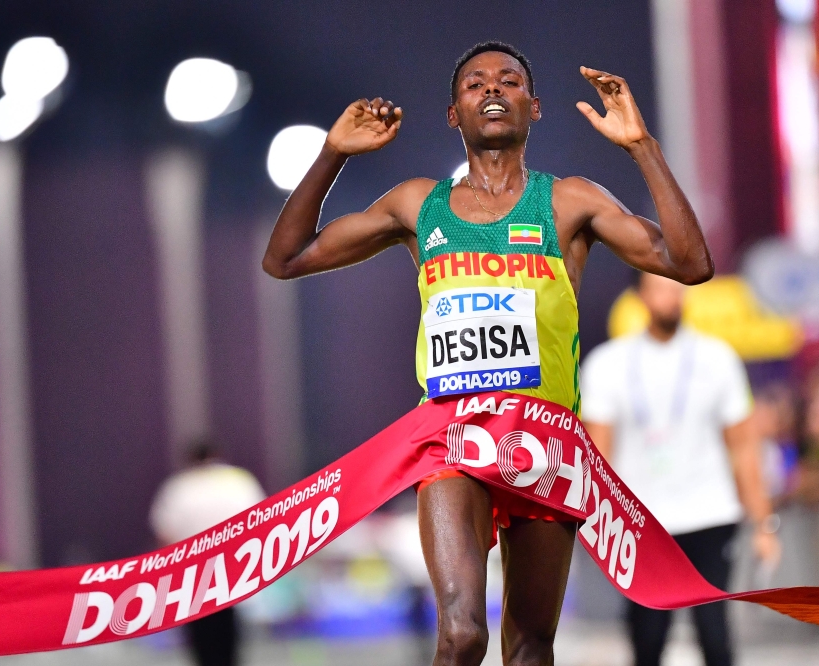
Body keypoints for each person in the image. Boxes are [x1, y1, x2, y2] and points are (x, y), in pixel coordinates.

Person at [261, 40, 713, 666]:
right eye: (475, 83)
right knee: (462, 634)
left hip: (544, 444)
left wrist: (642, 146)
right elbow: (284, 258)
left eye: (509, 80)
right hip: (455, 438)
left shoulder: (570, 201)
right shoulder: (419, 204)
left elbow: (690, 264)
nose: (493, 89)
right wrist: (332, 153)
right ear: (455, 114)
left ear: (535, 106)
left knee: (529, 649)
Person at [581, 273, 780, 666]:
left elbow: (743, 446)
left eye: (675, 289)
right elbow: (599, 456)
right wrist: (599, 525)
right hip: (644, 524)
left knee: (715, 634)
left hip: (710, 513)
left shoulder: (717, 358)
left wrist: (764, 523)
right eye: (659, 289)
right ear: (640, 296)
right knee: (647, 638)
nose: (669, 298)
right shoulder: (607, 365)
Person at [149, 440, 266, 666]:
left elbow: (164, 535)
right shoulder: (240, 481)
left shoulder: (178, 487)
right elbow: (262, 521)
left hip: (194, 578)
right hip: (236, 571)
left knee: (202, 644)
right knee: (231, 642)